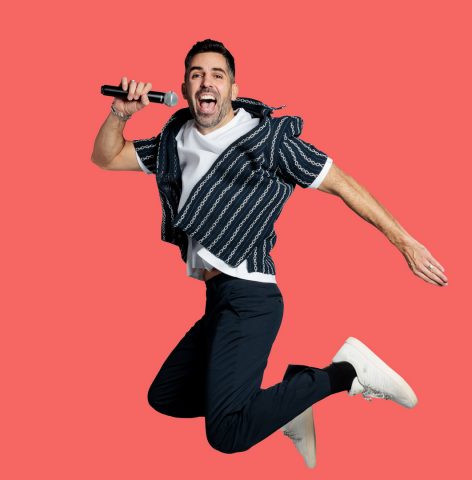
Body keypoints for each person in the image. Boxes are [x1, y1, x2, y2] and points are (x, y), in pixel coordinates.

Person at [91, 39, 448, 468]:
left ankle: (346, 372)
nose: (207, 82)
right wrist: (120, 113)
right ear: (184, 89)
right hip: (217, 300)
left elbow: (342, 183)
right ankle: (292, 400)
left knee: (227, 434)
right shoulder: (174, 140)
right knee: (166, 395)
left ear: (234, 89)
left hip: (251, 297)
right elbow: (107, 157)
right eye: (197, 75)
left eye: (217, 75)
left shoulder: (266, 141)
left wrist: (404, 241)